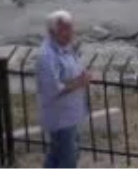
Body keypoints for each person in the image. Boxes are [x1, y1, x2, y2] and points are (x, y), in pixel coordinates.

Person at [36, 10, 89, 169]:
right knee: (67, 159)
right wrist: (79, 82)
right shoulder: (47, 56)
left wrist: (81, 76)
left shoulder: (66, 48)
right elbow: (53, 89)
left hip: (72, 114)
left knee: (58, 155)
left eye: (70, 29)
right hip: (60, 118)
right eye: (65, 30)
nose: (70, 34)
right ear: (52, 32)